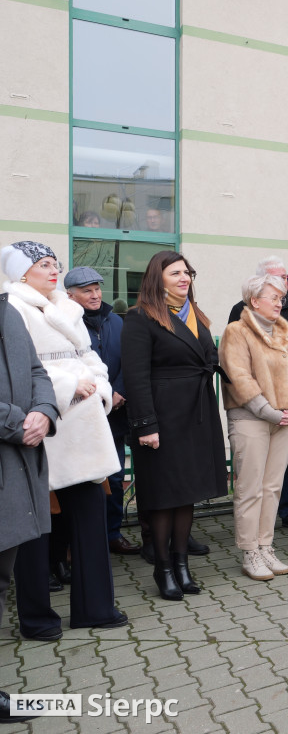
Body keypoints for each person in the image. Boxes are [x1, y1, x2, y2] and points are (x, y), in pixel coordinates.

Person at [2, 242, 127, 638]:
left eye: (55, 263)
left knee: (90, 513)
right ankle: (37, 619)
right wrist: (72, 386)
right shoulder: (13, 307)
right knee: (34, 525)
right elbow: (23, 370)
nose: (54, 270)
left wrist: (100, 387)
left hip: (85, 423)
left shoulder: (66, 306)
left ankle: (96, 608)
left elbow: (89, 356)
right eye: (43, 264)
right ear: (22, 272)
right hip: (43, 423)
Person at [122, 251, 228, 600]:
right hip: (163, 419)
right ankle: (163, 568)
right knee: (166, 496)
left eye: (188, 273)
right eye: (176, 273)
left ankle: (182, 566)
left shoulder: (196, 315)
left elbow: (207, 357)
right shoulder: (140, 317)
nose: (185, 278)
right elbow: (135, 378)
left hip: (195, 415)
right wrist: (145, 425)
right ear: (158, 277)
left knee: (188, 495)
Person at [220, 274, 288, 581]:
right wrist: (269, 411)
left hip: (284, 420)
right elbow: (238, 377)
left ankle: (266, 546)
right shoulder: (237, 332)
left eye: (281, 298)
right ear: (254, 301)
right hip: (251, 419)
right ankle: (250, 553)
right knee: (250, 489)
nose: (280, 303)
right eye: (274, 298)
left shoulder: (284, 332)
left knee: (272, 487)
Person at [0, 292, 57, 725]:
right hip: (10, 446)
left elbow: (38, 370)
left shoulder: (9, 311)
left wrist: (44, 411)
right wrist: (16, 423)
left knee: (2, 576)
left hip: (18, 466)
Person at [228, 256, 288, 532]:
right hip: (255, 409)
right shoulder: (239, 314)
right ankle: (254, 535)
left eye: (285, 277)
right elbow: (238, 368)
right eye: (277, 278)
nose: (284, 283)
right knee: (254, 475)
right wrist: (266, 408)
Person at [63, 266, 139, 555]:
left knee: (115, 475)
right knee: (82, 479)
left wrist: (119, 391)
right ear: (70, 295)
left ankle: (111, 534)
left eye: (97, 289)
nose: (95, 295)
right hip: (79, 415)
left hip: (114, 415)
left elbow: (129, 360)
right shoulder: (64, 324)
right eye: (87, 291)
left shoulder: (116, 322)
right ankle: (77, 542)